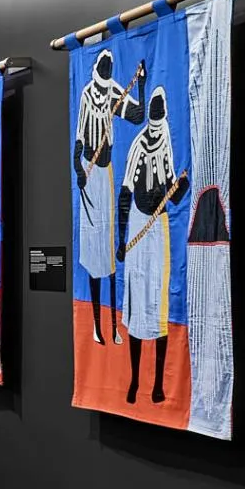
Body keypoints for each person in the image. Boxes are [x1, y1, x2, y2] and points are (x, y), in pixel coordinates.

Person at [118, 86, 189, 404]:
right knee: (136, 301)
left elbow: (172, 192)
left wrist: (181, 187)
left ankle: (159, 383)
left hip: (158, 226)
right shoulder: (137, 145)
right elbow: (124, 193)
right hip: (137, 221)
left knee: (158, 301)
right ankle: (134, 380)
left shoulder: (166, 144)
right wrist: (122, 240)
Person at [73, 49, 145, 345]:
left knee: (110, 251)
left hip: (106, 171)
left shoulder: (114, 91)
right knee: (93, 252)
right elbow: (79, 139)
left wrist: (141, 81)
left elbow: (138, 115)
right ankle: (96, 325)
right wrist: (78, 168)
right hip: (89, 177)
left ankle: (114, 324)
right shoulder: (87, 95)